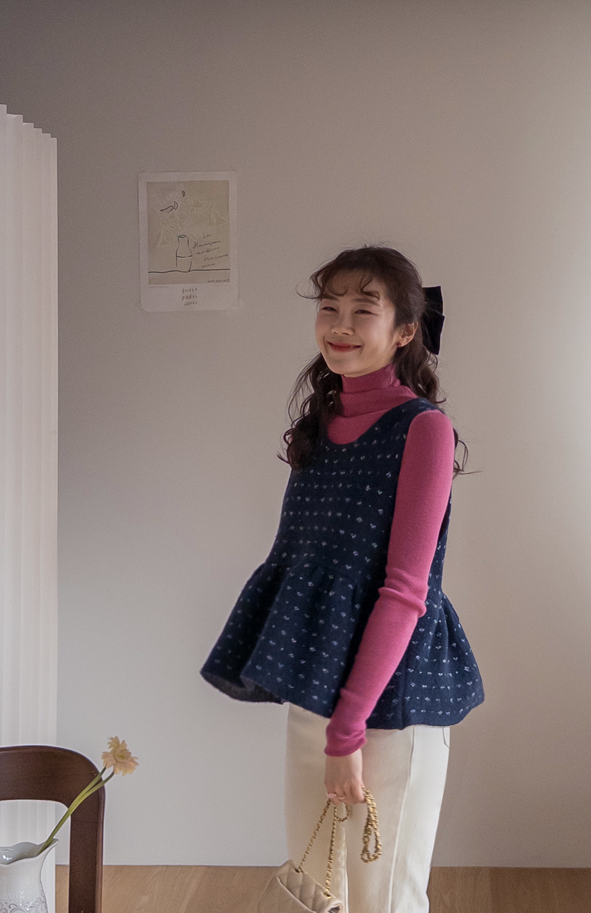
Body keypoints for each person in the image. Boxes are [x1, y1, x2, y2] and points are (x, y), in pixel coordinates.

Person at [200, 245, 484, 913]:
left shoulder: (425, 430)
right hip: (318, 690)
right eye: (329, 308)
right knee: (314, 891)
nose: (341, 325)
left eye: (364, 310)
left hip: (391, 699)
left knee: (383, 900)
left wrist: (347, 730)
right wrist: (331, 724)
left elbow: (406, 592)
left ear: (405, 330)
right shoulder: (321, 425)